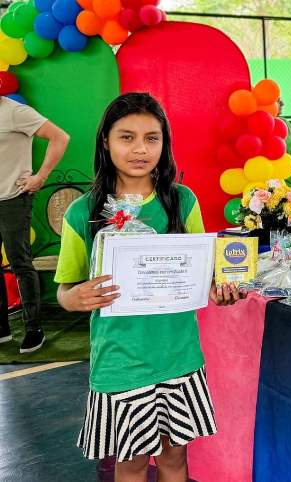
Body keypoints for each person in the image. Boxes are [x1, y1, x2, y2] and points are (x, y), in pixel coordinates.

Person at [54, 93, 241, 482]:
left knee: (175, 460)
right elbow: (65, 289)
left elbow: (204, 274)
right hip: (121, 361)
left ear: (164, 143)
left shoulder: (182, 201)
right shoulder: (82, 213)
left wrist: (219, 288)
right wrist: (74, 297)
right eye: (127, 137)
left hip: (179, 356)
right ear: (105, 141)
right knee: (133, 464)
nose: (140, 149)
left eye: (151, 138)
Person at [0, 96, 70, 353]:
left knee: (20, 263)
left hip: (12, 199)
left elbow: (60, 137)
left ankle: (34, 329)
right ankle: (3, 329)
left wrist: (41, 176)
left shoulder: (16, 112)